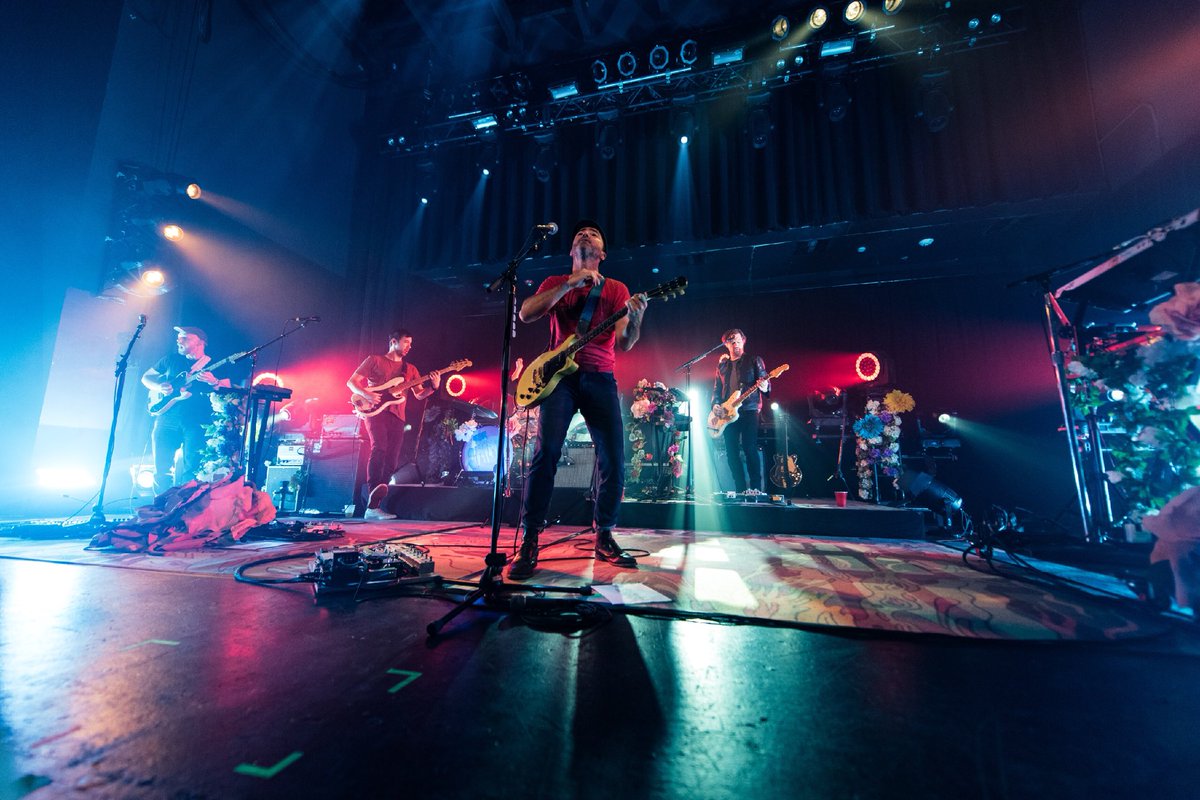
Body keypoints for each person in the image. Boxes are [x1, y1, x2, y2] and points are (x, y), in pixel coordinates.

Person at [508, 219, 648, 579]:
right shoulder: (555, 283)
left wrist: (637, 317)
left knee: (613, 458)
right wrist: (571, 282)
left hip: (600, 377)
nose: (586, 235)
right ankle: (530, 538)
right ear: (572, 251)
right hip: (559, 380)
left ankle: (604, 534)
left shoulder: (616, 289)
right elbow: (525, 314)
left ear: (602, 253)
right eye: (580, 235)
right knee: (546, 453)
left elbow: (626, 342)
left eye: (594, 235)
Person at [347, 329, 439, 520]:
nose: (409, 346)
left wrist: (433, 386)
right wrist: (367, 394)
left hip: (398, 416)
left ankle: (374, 505)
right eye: (406, 342)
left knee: (392, 459)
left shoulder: (410, 369)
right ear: (393, 342)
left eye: (411, 343)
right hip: (375, 412)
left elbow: (419, 394)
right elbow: (352, 382)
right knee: (379, 448)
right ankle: (373, 499)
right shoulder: (375, 360)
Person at [141, 326, 232, 496]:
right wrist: (159, 386)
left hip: (198, 421)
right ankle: (162, 506)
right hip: (166, 418)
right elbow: (146, 377)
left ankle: (186, 507)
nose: (179, 341)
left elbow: (228, 390)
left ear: (201, 342)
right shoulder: (171, 359)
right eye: (178, 338)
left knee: (193, 468)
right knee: (161, 468)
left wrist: (214, 381)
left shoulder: (216, 363)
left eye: (185, 338)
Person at [711, 328, 770, 494]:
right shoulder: (722, 366)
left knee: (749, 447)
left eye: (738, 340)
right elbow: (717, 390)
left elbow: (765, 381)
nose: (735, 343)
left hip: (749, 409)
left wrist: (765, 385)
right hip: (727, 413)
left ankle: (756, 489)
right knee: (731, 451)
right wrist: (715, 405)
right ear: (726, 344)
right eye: (731, 340)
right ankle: (740, 489)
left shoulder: (753, 360)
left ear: (743, 341)